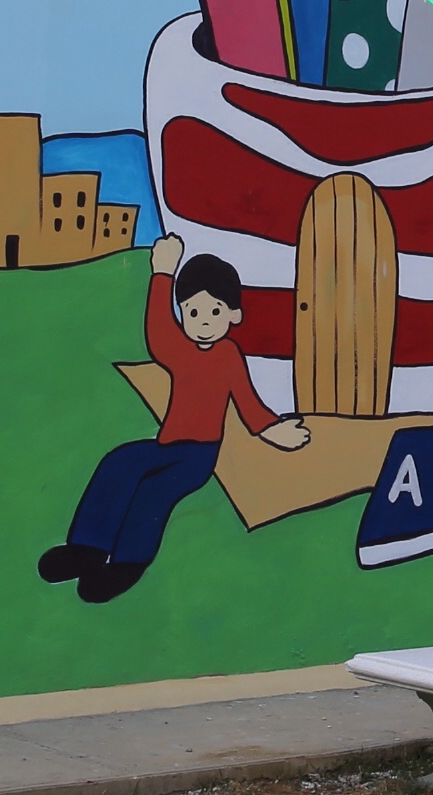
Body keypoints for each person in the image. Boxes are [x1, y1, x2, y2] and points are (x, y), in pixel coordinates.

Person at [40, 236, 310, 603]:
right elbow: (158, 333)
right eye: (192, 312)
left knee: (154, 492)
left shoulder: (228, 356)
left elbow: (248, 403)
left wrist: (274, 429)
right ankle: (87, 547)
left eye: (214, 312)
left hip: (198, 455)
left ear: (233, 315)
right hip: (166, 444)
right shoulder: (181, 351)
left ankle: (127, 564)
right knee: (119, 463)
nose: (203, 322)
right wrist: (162, 274)